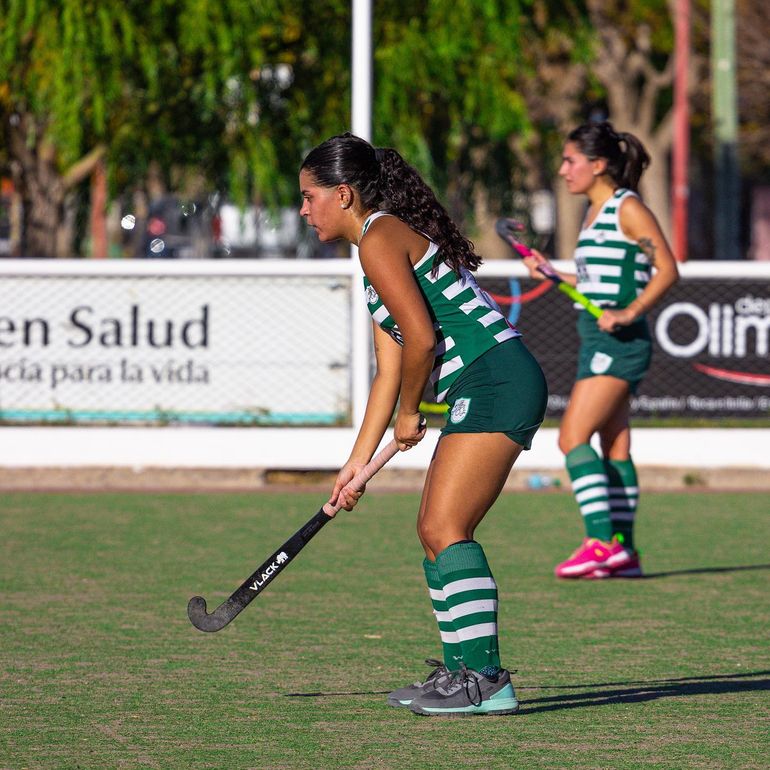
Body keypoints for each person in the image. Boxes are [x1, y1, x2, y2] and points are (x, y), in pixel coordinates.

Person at [299, 133, 548, 716]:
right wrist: (355, 466)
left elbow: (425, 340)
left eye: (310, 197)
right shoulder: (373, 256)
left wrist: (412, 412)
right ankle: (464, 675)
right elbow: (390, 371)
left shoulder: (379, 239)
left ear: (343, 194)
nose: (304, 210)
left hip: (495, 377)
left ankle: (484, 678)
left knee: (445, 525)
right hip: (486, 379)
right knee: (433, 529)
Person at [523, 121, 679, 580]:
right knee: (615, 443)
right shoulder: (592, 215)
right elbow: (595, 283)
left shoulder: (626, 207)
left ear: (599, 165)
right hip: (598, 336)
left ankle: (597, 542)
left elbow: (667, 269)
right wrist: (555, 275)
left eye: (571, 161)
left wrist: (630, 312)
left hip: (620, 341)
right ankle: (624, 552)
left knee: (571, 437)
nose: (563, 169)